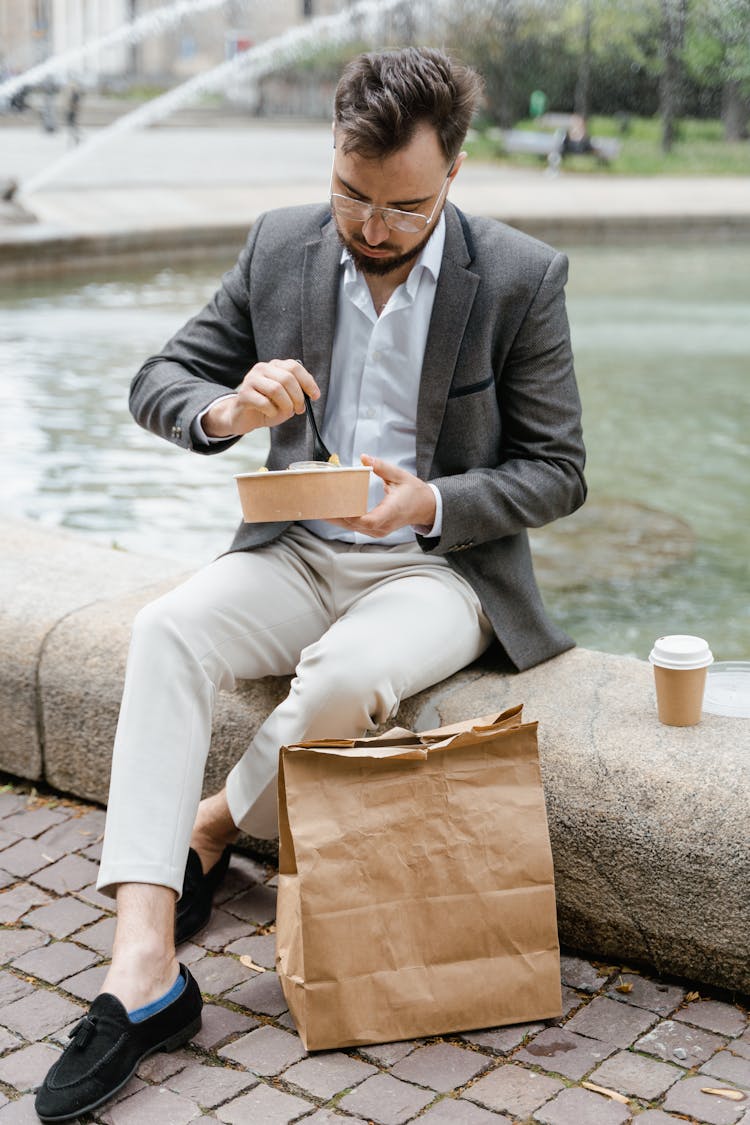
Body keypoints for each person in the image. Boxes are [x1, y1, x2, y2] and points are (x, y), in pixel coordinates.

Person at [36, 45, 585, 1122]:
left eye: (404, 207)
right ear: (330, 156)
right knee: (167, 632)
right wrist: (231, 411)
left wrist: (428, 501)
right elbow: (159, 381)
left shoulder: (522, 276)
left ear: (454, 177)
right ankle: (142, 969)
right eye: (352, 194)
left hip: (437, 569)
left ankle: (209, 824)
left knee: (341, 681)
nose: (372, 227)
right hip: (293, 553)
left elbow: (558, 472)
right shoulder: (282, 244)